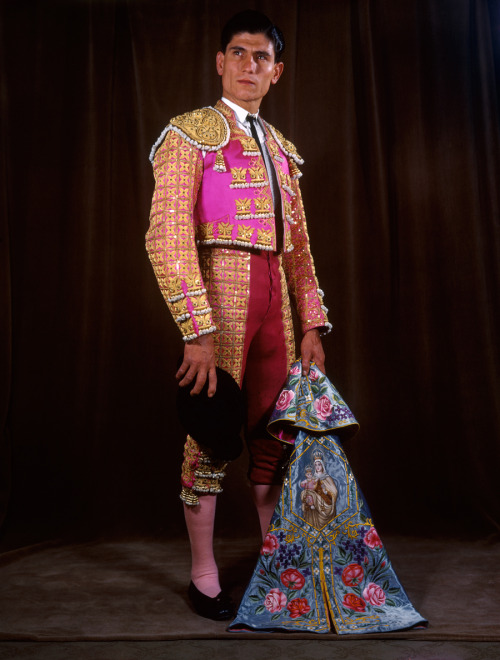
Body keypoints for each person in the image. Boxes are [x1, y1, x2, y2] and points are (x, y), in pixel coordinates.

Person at [145, 9, 331, 620]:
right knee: (212, 432)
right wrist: (195, 331)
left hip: (276, 297)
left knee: (273, 431)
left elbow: (299, 247)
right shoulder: (187, 133)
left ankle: (275, 562)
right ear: (220, 62)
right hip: (220, 300)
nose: (249, 65)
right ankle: (203, 574)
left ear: (276, 72)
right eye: (239, 53)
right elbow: (167, 235)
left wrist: (310, 323)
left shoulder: (283, 150)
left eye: (262, 57)